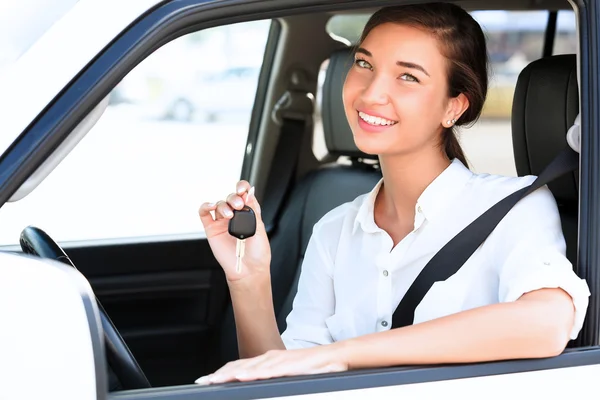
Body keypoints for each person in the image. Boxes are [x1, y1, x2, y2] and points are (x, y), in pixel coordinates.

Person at [196, 2, 590, 385]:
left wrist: (341, 354)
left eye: (408, 77)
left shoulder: (515, 207)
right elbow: (281, 379)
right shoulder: (334, 230)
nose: (370, 94)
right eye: (364, 64)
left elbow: (547, 323)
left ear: (453, 107)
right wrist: (248, 278)